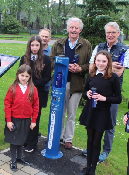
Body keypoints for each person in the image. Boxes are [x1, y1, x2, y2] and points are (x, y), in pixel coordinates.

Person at [84, 22, 129, 162]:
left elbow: (119, 72)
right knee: (93, 121)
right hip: (96, 91)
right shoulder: (100, 46)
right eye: (108, 32)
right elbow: (92, 68)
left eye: (113, 32)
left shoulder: (124, 49)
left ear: (118, 33)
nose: (110, 35)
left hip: (111, 94)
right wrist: (111, 65)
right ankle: (92, 147)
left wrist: (104, 67)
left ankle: (106, 150)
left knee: (110, 123)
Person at [49, 17, 92, 149]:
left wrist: (80, 69)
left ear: (80, 30)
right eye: (71, 27)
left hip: (77, 84)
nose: (73, 30)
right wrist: (63, 65)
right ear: (67, 28)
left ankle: (68, 139)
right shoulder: (59, 43)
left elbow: (91, 65)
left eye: (76, 28)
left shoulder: (86, 45)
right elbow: (51, 61)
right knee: (60, 111)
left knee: (71, 114)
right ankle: (59, 136)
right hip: (60, 83)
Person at [78, 50, 121, 175]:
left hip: (102, 113)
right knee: (89, 140)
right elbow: (84, 93)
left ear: (108, 62)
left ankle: (93, 170)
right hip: (91, 111)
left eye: (104, 61)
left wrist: (104, 98)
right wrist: (88, 94)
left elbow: (118, 98)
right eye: (98, 61)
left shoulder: (113, 77)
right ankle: (87, 167)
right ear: (95, 61)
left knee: (97, 141)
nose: (101, 64)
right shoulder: (91, 75)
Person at [4, 64, 39, 171]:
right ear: (18, 75)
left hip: (26, 119)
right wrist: (9, 121)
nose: (24, 78)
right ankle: (13, 160)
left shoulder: (33, 89)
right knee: (14, 140)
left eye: (26, 76)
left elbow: (36, 106)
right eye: (22, 75)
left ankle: (19, 158)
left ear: (30, 77)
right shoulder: (13, 88)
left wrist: (33, 121)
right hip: (14, 119)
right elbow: (7, 104)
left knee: (22, 139)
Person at [20, 35, 51, 152]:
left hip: (39, 92)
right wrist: (27, 85)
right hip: (25, 92)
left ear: (40, 46)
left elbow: (47, 77)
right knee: (25, 116)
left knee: (35, 117)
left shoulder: (46, 60)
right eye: (32, 45)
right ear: (29, 46)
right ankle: (25, 140)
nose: (34, 47)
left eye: (37, 45)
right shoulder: (24, 58)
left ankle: (32, 143)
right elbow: (20, 74)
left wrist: (35, 84)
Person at [39, 28, 52, 109]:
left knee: (39, 107)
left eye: (46, 36)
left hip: (45, 85)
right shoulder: (34, 48)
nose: (44, 38)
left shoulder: (51, 52)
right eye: (42, 36)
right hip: (32, 83)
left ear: (49, 39)